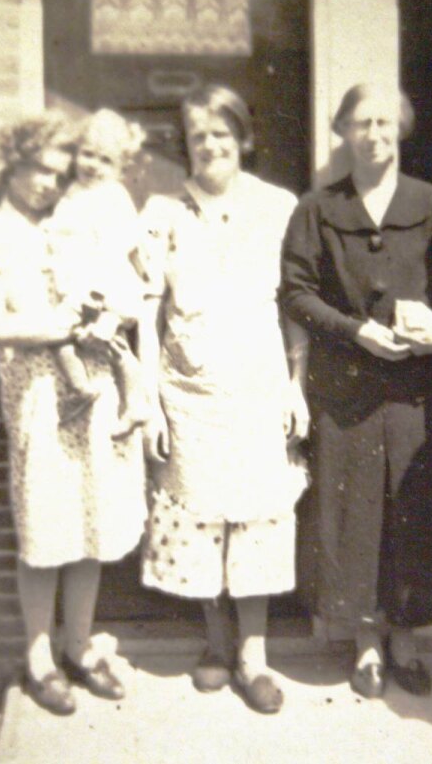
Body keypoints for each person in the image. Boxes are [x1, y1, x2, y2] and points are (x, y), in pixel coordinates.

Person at [0, 112, 146, 716]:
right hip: (36, 397)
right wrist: (61, 327)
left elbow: (130, 290)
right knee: (44, 528)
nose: (47, 183)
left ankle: (80, 648)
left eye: (57, 173)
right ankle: (38, 659)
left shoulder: (74, 223)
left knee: (89, 525)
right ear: (13, 164)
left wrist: (109, 317)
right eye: (37, 169)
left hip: (95, 394)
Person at [280, 83, 432, 701]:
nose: (375, 134)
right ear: (342, 130)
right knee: (355, 515)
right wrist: (356, 331)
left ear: (402, 128)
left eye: (386, 122)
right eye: (362, 122)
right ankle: (365, 644)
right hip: (347, 388)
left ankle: (406, 638)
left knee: (411, 514)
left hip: (416, 387)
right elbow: (297, 294)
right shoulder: (317, 208)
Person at [137, 84, 310, 715]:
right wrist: (150, 399)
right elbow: (147, 306)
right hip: (187, 390)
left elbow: (292, 305)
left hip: (259, 385)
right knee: (201, 515)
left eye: (220, 132)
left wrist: (297, 385)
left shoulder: (279, 206)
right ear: (186, 142)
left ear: (244, 137)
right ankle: (214, 643)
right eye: (198, 134)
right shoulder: (162, 210)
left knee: (257, 516)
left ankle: (253, 656)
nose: (209, 144)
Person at [48, 108, 151, 437]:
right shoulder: (74, 193)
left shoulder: (111, 196)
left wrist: (103, 298)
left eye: (105, 161)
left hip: (102, 284)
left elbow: (120, 247)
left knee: (69, 332)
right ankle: (118, 397)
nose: (93, 166)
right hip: (77, 279)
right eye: (87, 155)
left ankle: (91, 389)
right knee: (109, 346)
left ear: (121, 168)